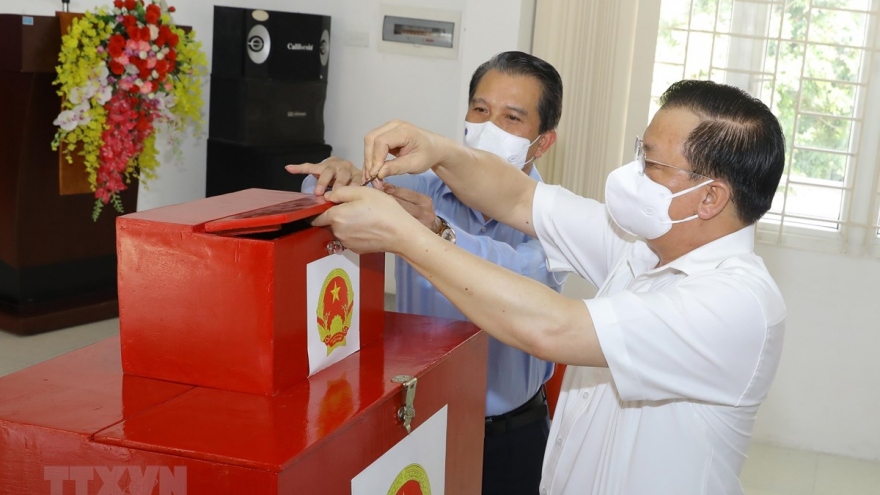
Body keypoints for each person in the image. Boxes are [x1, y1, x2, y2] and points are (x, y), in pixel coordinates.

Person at [307, 80, 787, 494]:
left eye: (652, 163)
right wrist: (440, 150)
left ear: (709, 197)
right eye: (640, 152)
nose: (635, 172)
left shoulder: (737, 304)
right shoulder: (644, 248)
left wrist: (405, 238)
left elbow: (552, 328)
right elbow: (519, 198)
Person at [287, 51, 567, 495]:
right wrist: (337, 175)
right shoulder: (418, 186)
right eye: (480, 110)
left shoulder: (556, 219)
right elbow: (322, 199)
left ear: (543, 142)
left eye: (511, 118)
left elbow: (516, 273)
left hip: (510, 436)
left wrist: (436, 231)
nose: (489, 128)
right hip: (420, 421)